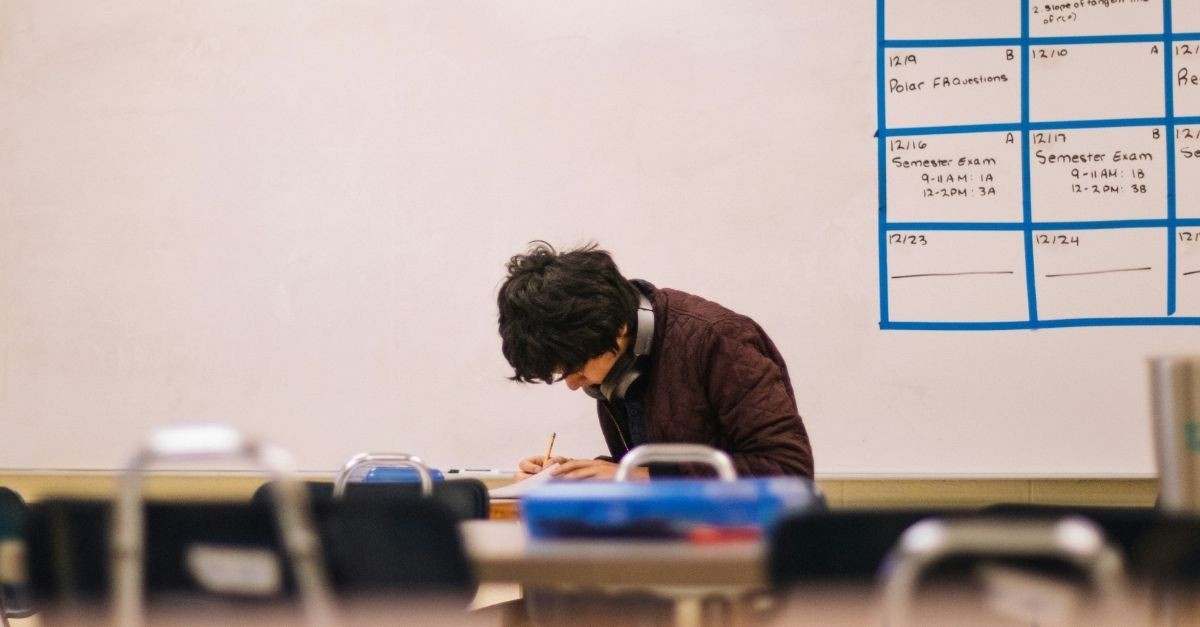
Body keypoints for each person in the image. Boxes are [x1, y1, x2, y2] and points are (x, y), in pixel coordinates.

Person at [497, 241, 814, 481]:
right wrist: (575, 476)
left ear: (618, 329)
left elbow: (788, 470)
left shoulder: (719, 338)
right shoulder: (619, 359)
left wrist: (639, 478)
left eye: (576, 369)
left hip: (741, 553)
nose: (572, 384)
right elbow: (659, 465)